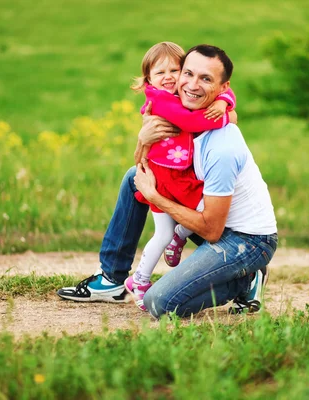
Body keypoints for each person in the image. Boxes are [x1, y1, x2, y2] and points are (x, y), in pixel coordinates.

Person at [58, 44, 278, 317]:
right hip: (211, 217)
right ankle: (112, 279)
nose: (191, 84)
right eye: (188, 74)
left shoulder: (219, 143)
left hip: (245, 239)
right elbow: (151, 163)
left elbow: (212, 230)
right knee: (133, 178)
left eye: (206, 79)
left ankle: (245, 280)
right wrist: (143, 140)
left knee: (159, 304)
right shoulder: (175, 107)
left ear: (223, 88)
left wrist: (155, 197)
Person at [124, 42, 237, 311]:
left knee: (174, 225)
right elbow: (191, 122)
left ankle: (177, 236)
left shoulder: (181, 93)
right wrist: (225, 117)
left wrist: (224, 101)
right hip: (165, 179)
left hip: (178, 175)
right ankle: (140, 280)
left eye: (175, 69)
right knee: (195, 214)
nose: (169, 77)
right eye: (159, 72)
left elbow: (225, 90)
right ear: (148, 79)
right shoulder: (161, 100)